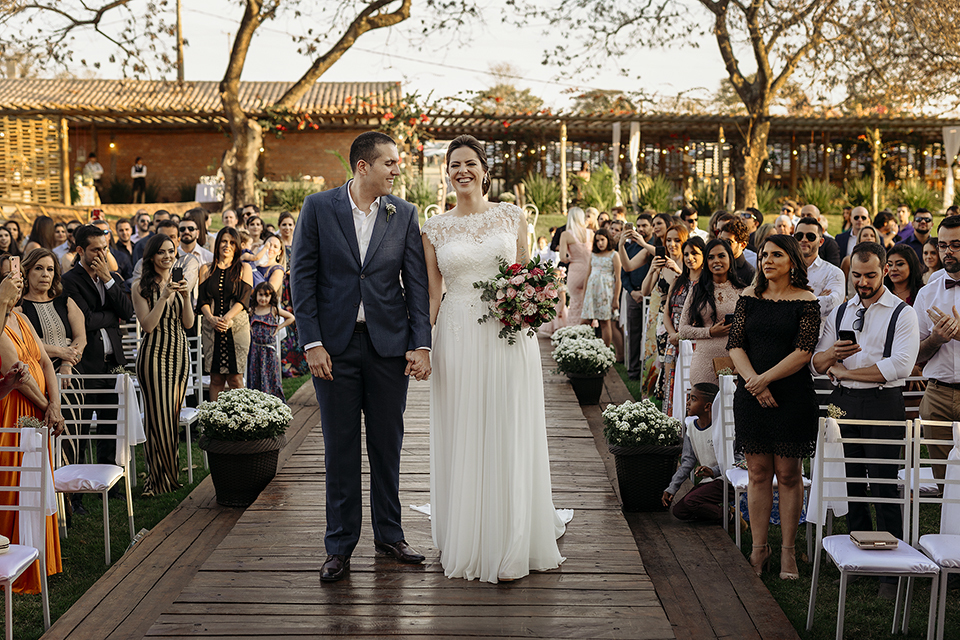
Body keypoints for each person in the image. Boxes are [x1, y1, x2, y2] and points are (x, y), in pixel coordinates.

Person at [422, 134, 564, 584]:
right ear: (448, 173)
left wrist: (534, 302)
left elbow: (528, 275)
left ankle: (512, 536)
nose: (461, 171)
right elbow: (432, 294)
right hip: (457, 335)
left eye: (469, 163)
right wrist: (420, 346)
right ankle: (466, 532)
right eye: (454, 164)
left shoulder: (512, 216)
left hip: (508, 335)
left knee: (507, 425)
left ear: (485, 170)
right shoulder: (434, 228)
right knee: (464, 427)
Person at [291, 131, 431, 583]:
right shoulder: (317, 208)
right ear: (362, 166)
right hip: (334, 347)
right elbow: (302, 278)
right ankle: (339, 546)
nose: (397, 170)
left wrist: (420, 343)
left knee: (387, 447)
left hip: (389, 348)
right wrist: (311, 343)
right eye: (390, 162)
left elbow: (417, 285)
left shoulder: (404, 213)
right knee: (340, 449)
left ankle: (390, 535)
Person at [811, 241, 919, 600]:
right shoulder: (841, 311)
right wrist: (832, 356)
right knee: (854, 482)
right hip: (842, 403)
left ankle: (892, 570)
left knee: (884, 484)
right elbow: (816, 363)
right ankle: (859, 556)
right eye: (856, 275)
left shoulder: (902, 313)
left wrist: (847, 372)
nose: (863, 282)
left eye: (870, 275)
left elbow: (900, 366)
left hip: (882, 403)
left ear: (884, 270)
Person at [728, 234, 820, 580]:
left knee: (788, 475)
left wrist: (765, 379)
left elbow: (803, 351)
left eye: (776, 255)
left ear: (792, 262)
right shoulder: (748, 298)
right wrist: (754, 382)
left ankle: (788, 552)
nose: (767, 260)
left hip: (791, 397)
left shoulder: (807, 301)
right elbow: (736, 344)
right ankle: (758, 548)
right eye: (764, 254)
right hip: (751, 396)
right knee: (758, 473)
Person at [0, 263, 64, 594]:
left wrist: (55, 403)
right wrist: (46, 407)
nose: (18, 282)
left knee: (38, 482)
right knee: (15, 483)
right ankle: (14, 560)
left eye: (18, 277)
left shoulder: (23, 319)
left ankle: (41, 556)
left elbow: (43, 363)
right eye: (12, 278)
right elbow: (18, 374)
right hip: (15, 411)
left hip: (40, 410)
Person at [61, 224, 134, 515]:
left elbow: (127, 312)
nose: (102, 254)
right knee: (78, 430)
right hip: (85, 364)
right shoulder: (70, 281)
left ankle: (109, 483)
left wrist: (107, 281)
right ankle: (76, 494)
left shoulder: (111, 277)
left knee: (108, 426)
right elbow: (86, 321)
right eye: (95, 249)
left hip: (111, 364)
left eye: (104, 248)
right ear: (80, 250)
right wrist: (110, 316)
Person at [132, 234, 193, 496]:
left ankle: (171, 475)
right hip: (154, 354)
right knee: (157, 418)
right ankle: (157, 480)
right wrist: (164, 297)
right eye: (161, 252)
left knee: (171, 416)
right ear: (151, 257)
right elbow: (147, 326)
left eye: (171, 251)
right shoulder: (140, 287)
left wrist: (187, 296)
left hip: (179, 354)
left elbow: (188, 324)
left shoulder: (179, 282)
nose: (167, 256)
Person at [914, 215, 960, 482]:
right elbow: (914, 355)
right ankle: (949, 526)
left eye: (956, 244)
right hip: (937, 395)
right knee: (944, 479)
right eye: (943, 245)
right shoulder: (927, 294)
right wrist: (936, 339)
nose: (948, 252)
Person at [679, 239, 746, 386]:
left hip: (737, 363)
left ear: (730, 258)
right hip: (704, 361)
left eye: (721, 256)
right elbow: (683, 329)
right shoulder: (697, 290)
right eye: (711, 257)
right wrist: (710, 332)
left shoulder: (743, 291)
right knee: (705, 407)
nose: (716, 261)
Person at [197, 227, 253, 401]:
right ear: (217, 243)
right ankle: (217, 422)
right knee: (216, 378)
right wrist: (211, 318)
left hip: (237, 327)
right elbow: (202, 301)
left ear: (237, 246)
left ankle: (241, 421)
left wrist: (227, 318)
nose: (227, 245)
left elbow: (244, 299)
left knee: (235, 378)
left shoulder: (244, 268)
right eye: (223, 241)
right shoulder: (205, 269)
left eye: (231, 242)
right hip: (211, 328)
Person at [662, 382, 724, 521]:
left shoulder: (721, 429)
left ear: (708, 406)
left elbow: (735, 460)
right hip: (707, 482)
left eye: (693, 399)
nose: (688, 403)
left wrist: (713, 471)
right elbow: (687, 462)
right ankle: (716, 511)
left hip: (724, 480)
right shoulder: (691, 428)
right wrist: (672, 488)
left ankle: (729, 517)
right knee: (679, 512)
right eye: (689, 398)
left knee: (691, 501)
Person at [662, 237, 705, 417]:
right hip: (673, 342)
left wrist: (681, 336)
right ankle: (671, 426)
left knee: (690, 388)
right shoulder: (678, 280)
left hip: (694, 344)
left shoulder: (707, 284)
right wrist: (673, 335)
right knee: (670, 386)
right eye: (686, 254)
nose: (689, 258)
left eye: (695, 253)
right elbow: (666, 313)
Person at [794, 217, 844, 328]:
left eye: (810, 237)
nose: (804, 240)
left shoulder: (834, 272)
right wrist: (815, 298)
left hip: (821, 339)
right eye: (799, 236)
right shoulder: (784, 269)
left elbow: (832, 303)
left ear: (821, 241)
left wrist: (790, 302)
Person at [620, 214, 654, 379]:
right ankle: (633, 371)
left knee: (651, 334)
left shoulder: (653, 246)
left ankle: (648, 371)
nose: (640, 229)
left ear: (651, 227)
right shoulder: (630, 247)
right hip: (633, 294)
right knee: (633, 333)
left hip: (652, 295)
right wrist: (632, 291)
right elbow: (624, 272)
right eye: (638, 226)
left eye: (644, 225)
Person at [247, 282, 294, 401]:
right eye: (260, 295)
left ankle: (273, 401)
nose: (263, 298)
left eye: (266, 296)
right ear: (256, 295)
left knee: (270, 376)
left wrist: (279, 327)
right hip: (255, 350)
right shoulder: (252, 310)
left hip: (269, 350)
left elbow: (291, 317)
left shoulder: (273, 310)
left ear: (271, 297)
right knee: (256, 375)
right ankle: (256, 402)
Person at [581, 228, 622, 347]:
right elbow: (587, 275)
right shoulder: (593, 254)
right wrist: (584, 295)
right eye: (597, 241)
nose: (600, 243)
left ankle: (605, 351)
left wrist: (616, 299)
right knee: (585, 321)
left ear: (608, 240)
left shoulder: (614, 255)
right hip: (591, 291)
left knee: (605, 322)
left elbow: (618, 278)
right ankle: (583, 347)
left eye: (603, 240)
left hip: (605, 291)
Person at [558, 207, 594, 327]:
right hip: (590, 271)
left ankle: (574, 331)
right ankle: (589, 331)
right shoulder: (591, 233)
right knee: (588, 303)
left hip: (575, 271)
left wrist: (571, 258)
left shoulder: (566, 235)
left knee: (575, 303)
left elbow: (562, 257)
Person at [841, 225, 879, 295]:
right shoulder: (848, 261)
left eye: (872, 236)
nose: (869, 238)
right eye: (865, 235)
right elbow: (842, 287)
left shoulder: (881, 261)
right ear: (859, 239)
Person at [717, 217, 756, 284]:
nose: (723, 245)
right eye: (721, 240)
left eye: (728, 242)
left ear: (743, 245)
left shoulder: (750, 273)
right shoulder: (715, 265)